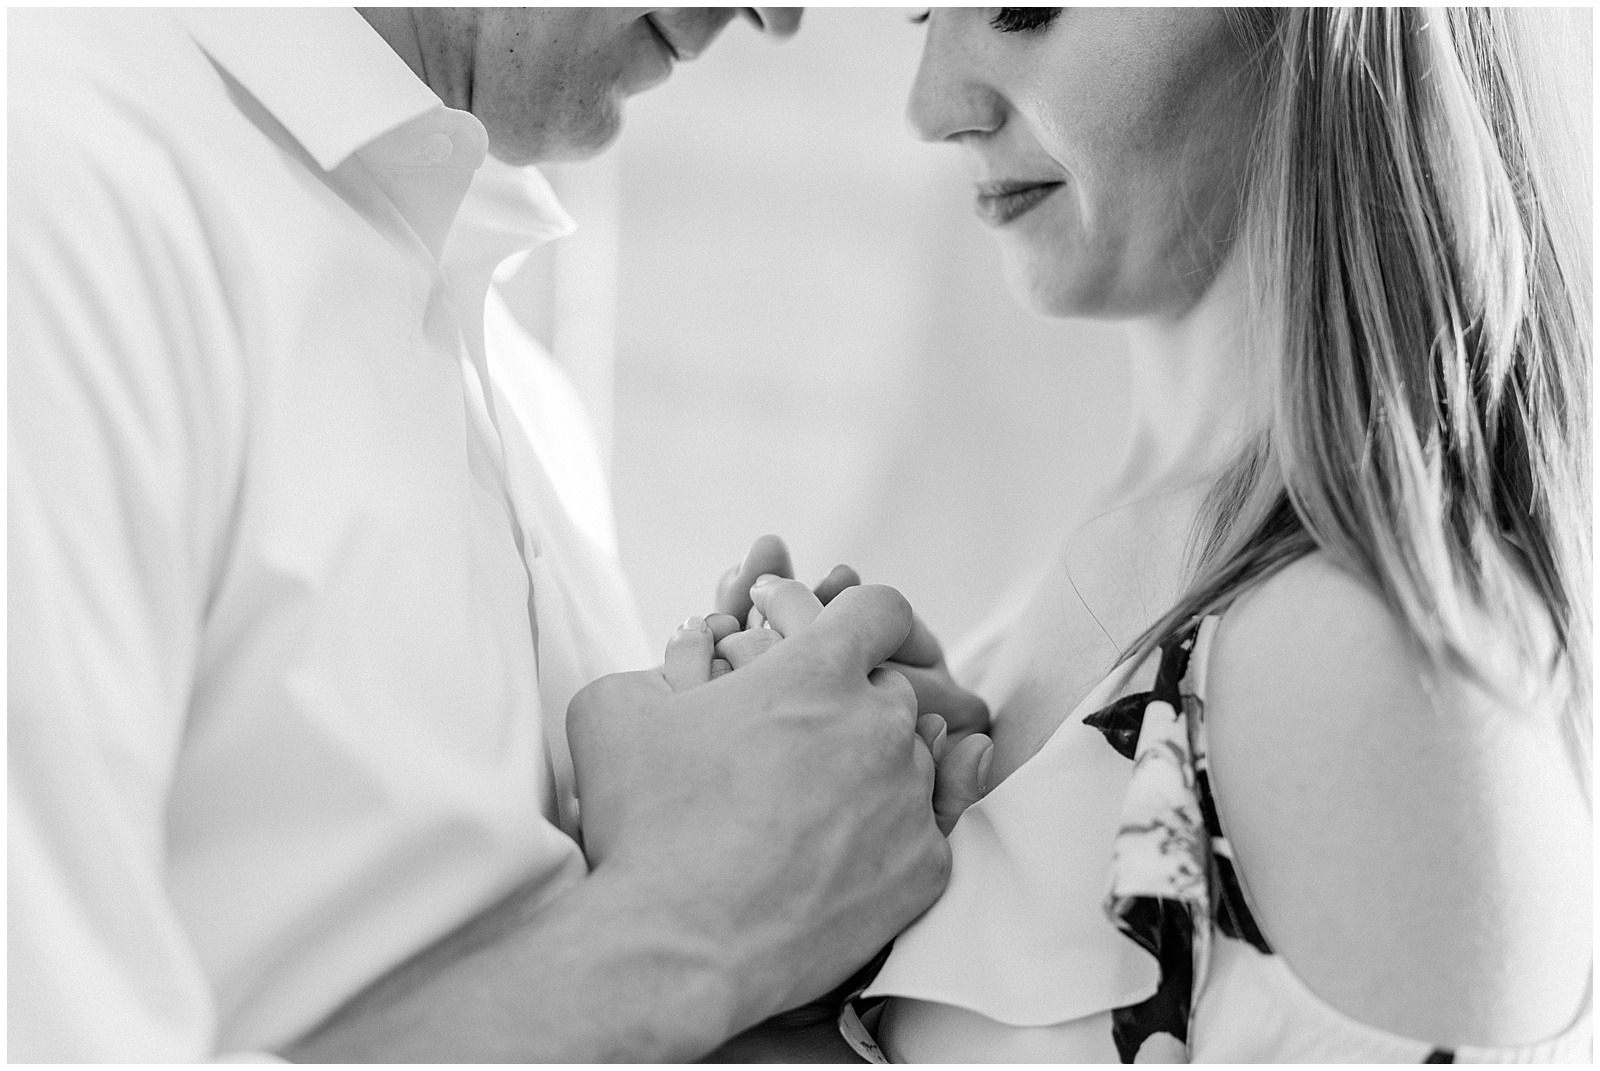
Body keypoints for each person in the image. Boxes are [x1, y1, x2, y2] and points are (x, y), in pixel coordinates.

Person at [7, 8, 991, 1061]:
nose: (780, 15)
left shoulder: (519, 386)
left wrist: (808, 865)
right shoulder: (53, 200)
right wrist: (703, 915)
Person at [678, 6, 1591, 1062]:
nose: (931, 108)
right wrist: (788, 937)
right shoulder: (1117, 571)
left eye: (1021, 9)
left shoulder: (1351, 664)